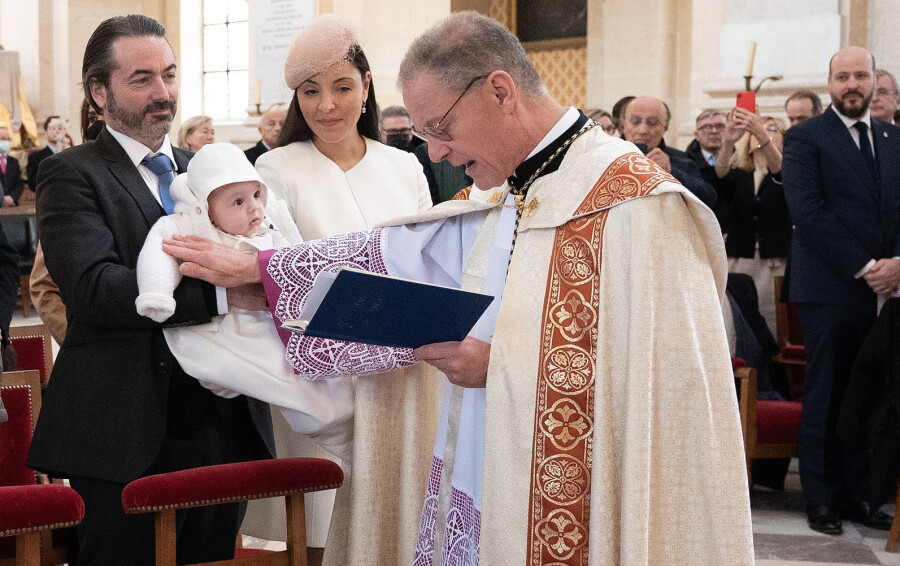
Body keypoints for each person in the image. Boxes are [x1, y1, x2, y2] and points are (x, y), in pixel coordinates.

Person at [166, 11, 754, 565]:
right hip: (482, 471)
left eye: (442, 130)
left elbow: (667, 397)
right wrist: (261, 274)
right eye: (425, 135)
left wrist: (502, 365)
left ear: (501, 91)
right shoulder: (501, 193)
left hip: (585, 505)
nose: (437, 153)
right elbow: (394, 261)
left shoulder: (638, 209)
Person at [25, 15, 273, 566]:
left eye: (169, 74)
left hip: (219, 421)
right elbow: (94, 288)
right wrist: (228, 294)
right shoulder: (72, 173)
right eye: (141, 79)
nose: (163, 93)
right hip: (124, 429)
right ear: (99, 91)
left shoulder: (204, 174)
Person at [251, 15, 436, 566]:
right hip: (320, 374)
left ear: (367, 87)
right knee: (319, 520)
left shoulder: (404, 166)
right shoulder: (275, 168)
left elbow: (427, 262)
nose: (326, 105)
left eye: (341, 87)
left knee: (398, 513)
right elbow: (275, 270)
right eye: (310, 91)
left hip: (402, 369)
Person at [135, 142, 351, 457]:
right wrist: (157, 293)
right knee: (295, 388)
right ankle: (338, 432)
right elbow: (157, 251)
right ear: (204, 208)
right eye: (237, 201)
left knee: (321, 374)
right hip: (218, 333)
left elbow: (295, 256)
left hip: (266, 326)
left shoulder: (267, 227)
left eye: (256, 195)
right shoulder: (188, 227)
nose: (254, 208)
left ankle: (344, 426)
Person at [782, 45, 900, 535]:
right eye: (842, 76)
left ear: (874, 80)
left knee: (870, 394)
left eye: (860, 75)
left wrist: (897, 264)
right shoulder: (806, 137)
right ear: (830, 82)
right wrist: (867, 265)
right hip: (829, 285)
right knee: (828, 393)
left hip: (887, 291)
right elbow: (808, 214)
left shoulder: (895, 138)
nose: (852, 84)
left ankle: (859, 497)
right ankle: (821, 499)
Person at [715, 111, 790, 335]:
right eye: (757, 129)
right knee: (738, 320)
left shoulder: (787, 171)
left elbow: (781, 172)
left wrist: (760, 131)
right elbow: (720, 174)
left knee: (774, 321)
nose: (764, 132)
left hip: (773, 260)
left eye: (772, 129)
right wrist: (728, 141)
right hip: (740, 258)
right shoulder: (739, 175)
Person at [622, 95, 717, 209]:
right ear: (624, 124)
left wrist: (671, 172)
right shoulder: (607, 156)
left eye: (652, 123)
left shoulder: (681, 160)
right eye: (635, 122)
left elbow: (709, 199)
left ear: (665, 126)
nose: (643, 130)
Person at [684, 109, 737, 230]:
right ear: (696, 135)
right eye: (706, 127)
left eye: (720, 126)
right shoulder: (685, 164)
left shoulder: (741, 162)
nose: (714, 131)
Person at [25, 115, 65, 192]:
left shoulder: (71, 154)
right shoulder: (35, 157)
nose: (57, 131)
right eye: (53, 128)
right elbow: (33, 183)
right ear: (46, 132)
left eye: (59, 128)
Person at [0, 126, 25, 206]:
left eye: (8, 139)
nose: (6, 142)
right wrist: (2, 199)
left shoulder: (14, 161)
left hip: (12, 205)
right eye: (3, 138)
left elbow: (19, 184)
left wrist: (12, 197)